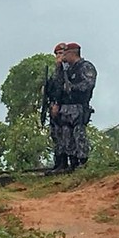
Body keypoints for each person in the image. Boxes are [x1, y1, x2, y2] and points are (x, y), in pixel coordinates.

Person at [54, 42, 97, 171]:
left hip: (79, 106)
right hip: (66, 107)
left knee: (79, 135)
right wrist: (59, 68)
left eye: (65, 53)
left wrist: (72, 88)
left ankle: (82, 162)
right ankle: (72, 163)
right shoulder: (67, 69)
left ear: (72, 53)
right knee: (67, 135)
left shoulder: (85, 67)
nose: (63, 56)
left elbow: (88, 84)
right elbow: (58, 85)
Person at [45, 42, 68, 170]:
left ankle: (66, 164)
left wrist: (57, 104)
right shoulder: (56, 71)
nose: (59, 56)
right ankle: (59, 163)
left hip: (65, 107)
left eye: (61, 53)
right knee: (56, 136)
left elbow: (62, 89)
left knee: (66, 136)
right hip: (54, 106)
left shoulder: (68, 70)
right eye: (57, 54)